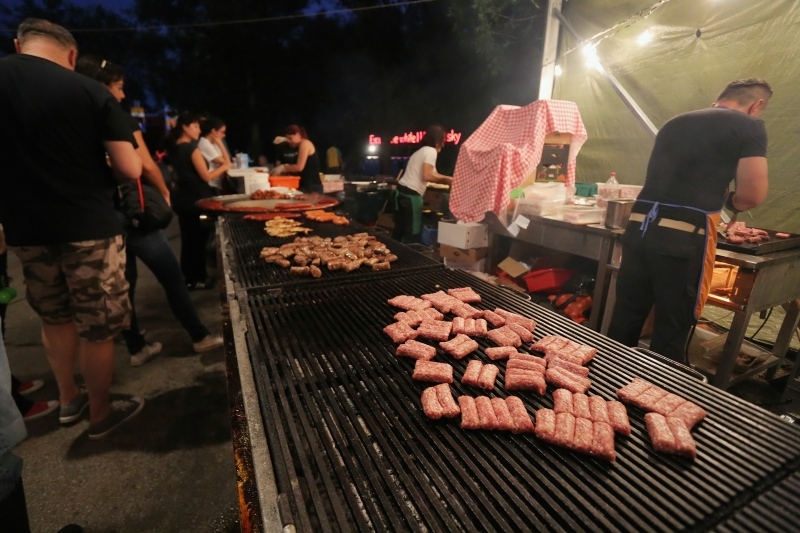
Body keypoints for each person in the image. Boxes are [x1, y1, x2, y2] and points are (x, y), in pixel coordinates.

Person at [0, 19, 145, 440]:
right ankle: (100, 413)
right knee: (97, 324)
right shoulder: (89, 90)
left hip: (27, 229)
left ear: (18, 44)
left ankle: (68, 400)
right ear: (70, 54)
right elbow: (129, 166)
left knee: (54, 316)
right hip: (89, 227)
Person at [607, 78, 771, 362]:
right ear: (756, 105)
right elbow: (752, 195)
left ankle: (601, 386)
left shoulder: (674, 123)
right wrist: (730, 201)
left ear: (719, 99)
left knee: (624, 320)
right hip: (682, 243)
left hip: (638, 232)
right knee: (671, 330)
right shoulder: (749, 126)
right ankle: (655, 398)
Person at [75, 56, 224, 363]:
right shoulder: (115, 117)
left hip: (103, 217)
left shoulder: (75, 121)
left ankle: (137, 348)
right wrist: (165, 191)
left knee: (123, 284)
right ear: (102, 87)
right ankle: (199, 336)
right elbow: (143, 166)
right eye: (118, 87)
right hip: (134, 216)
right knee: (171, 277)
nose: (122, 95)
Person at [168, 112, 231, 290]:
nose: (198, 130)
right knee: (197, 241)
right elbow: (206, 175)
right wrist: (225, 167)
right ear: (185, 128)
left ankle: (191, 278)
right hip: (195, 200)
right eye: (195, 126)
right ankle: (197, 279)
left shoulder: (175, 148)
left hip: (182, 199)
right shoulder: (191, 148)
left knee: (189, 241)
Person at [391, 125, 454, 243]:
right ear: (436, 140)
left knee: (399, 231)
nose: (443, 144)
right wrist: (448, 180)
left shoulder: (420, 151)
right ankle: (409, 260)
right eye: (442, 141)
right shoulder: (431, 151)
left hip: (400, 193)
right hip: (411, 196)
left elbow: (433, 173)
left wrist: (448, 178)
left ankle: (392, 256)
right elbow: (428, 176)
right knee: (413, 233)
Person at [270, 125, 322, 193]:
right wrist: (285, 139)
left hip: (312, 187)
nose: (289, 141)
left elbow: (299, 167)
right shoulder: (294, 145)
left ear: (298, 134)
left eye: (290, 138)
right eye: (287, 139)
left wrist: (283, 168)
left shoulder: (305, 144)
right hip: (303, 185)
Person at [198, 116, 231, 194]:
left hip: (218, 183)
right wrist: (220, 143)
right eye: (222, 132)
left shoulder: (214, 143)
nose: (224, 135)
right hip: (211, 184)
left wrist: (219, 143)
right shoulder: (204, 143)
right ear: (213, 131)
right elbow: (226, 163)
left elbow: (228, 162)